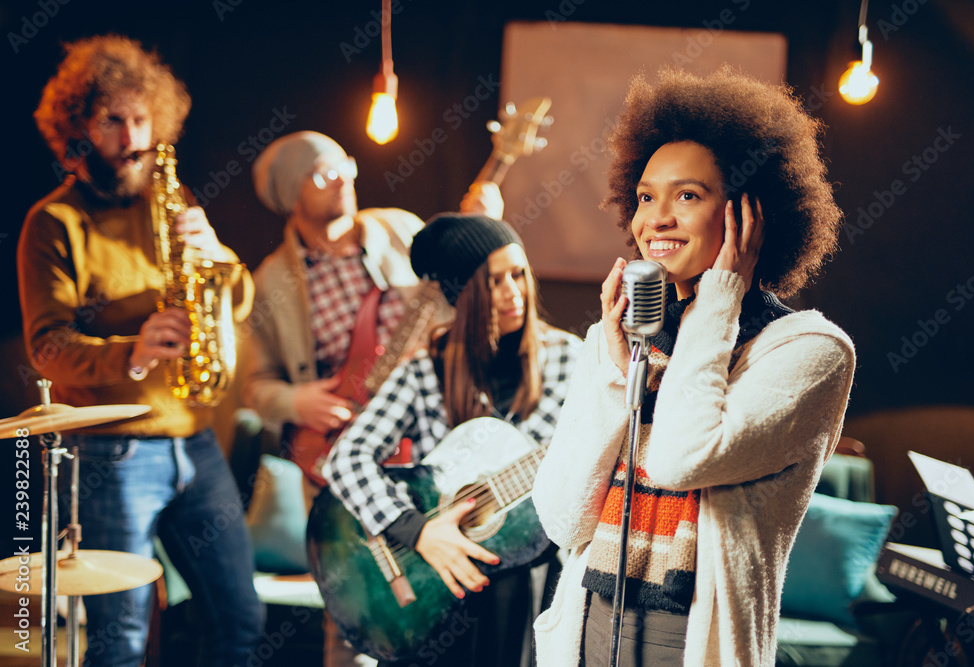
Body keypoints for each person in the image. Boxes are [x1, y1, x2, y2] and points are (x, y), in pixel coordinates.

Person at [531, 66, 856, 666]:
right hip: (586, 632)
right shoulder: (625, 340)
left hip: (691, 643)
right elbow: (562, 516)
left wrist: (721, 298)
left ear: (750, 212)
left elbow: (683, 458)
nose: (656, 218)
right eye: (646, 197)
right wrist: (610, 354)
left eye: (687, 195)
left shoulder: (809, 351)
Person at [18, 35, 263, 666]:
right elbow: (47, 348)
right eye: (113, 121)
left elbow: (233, 302)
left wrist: (221, 259)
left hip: (196, 443)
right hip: (112, 452)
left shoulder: (173, 201)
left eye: (141, 118)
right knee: (120, 639)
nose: (133, 137)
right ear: (79, 130)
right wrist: (134, 350)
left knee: (238, 617)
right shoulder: (53, 223)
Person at [324, 213, 582, 666]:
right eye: (494, 282)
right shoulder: (425, 371)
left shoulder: (570, 359)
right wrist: (416, 530)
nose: (513, 293)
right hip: (437, 583)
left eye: (518, 275)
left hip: (529, 581)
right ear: (464, 296)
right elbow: (345, 459)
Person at [244, 131, 503, 488]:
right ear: (292, 197)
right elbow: (255, 385)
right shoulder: (269, 284)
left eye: (344, 167)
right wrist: (296, 402)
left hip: (438, 415)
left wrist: (484, 231)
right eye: (323, 174)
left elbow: (461, 292)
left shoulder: (400, 228)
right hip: (343, 444)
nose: (343, 180)